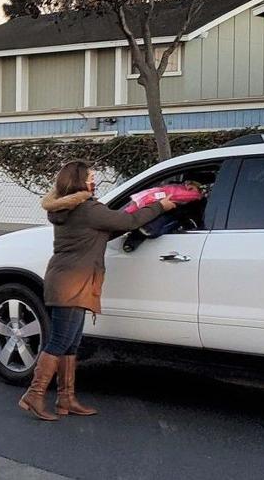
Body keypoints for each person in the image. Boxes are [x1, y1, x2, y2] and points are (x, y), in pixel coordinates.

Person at [19, 160, 175, 421]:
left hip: (69, 279)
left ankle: (66, 399)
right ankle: (34, 394)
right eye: (92, 176)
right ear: (81, 181)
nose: (95, 180)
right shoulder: (88, 209)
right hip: (72, 282)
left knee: (71, 343)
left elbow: (99, 234)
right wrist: (160, 206)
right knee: (60, 340)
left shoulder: (71, 209)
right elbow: (129, 221)